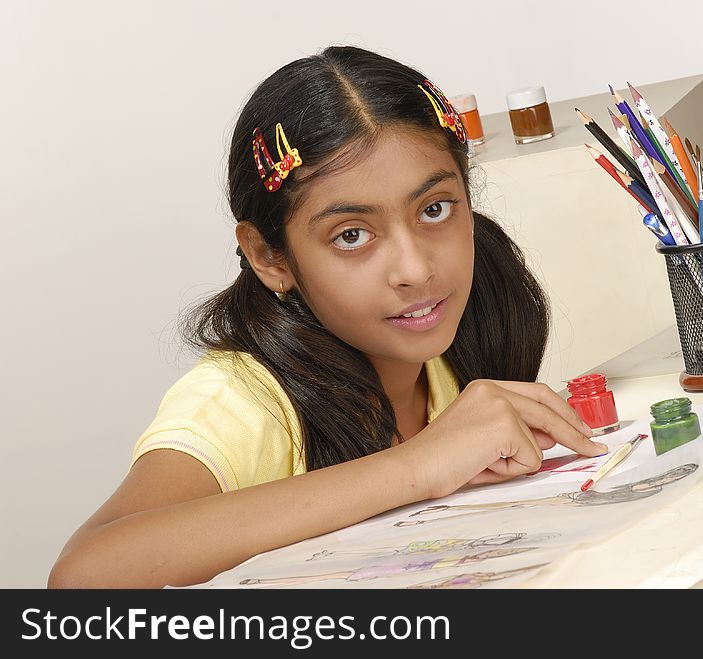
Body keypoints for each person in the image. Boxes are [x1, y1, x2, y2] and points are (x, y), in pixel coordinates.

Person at [48, 45, 606, 589]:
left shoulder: (473, 327)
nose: (414, 269)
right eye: (351, 236)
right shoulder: (243, 401)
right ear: (270, 257)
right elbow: (83, 577)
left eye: (434, 210)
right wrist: (415, 467)